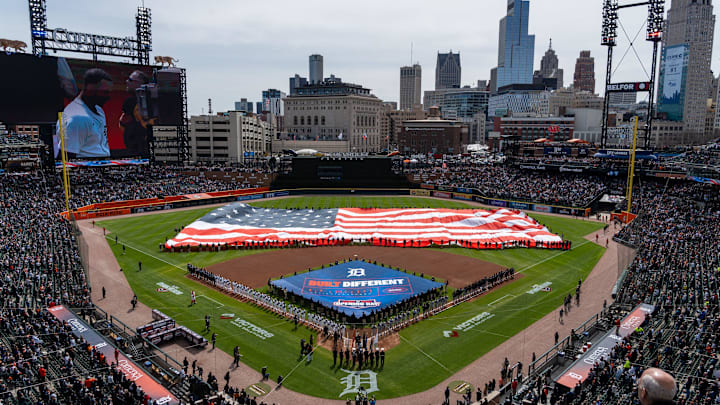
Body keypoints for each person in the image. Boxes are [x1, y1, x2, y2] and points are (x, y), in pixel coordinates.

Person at [55, 68, 113, 158]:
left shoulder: (99, 110)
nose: (108, 97)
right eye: (104, 92)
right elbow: (65, 160)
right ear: (90, 88)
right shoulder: (76, 118)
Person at [119, 70, 152, 157]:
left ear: (139, 83)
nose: (126, 82)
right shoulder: (152, 99)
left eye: (130, 80)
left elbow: (122, 123)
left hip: (136, 150)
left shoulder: (130, 102)